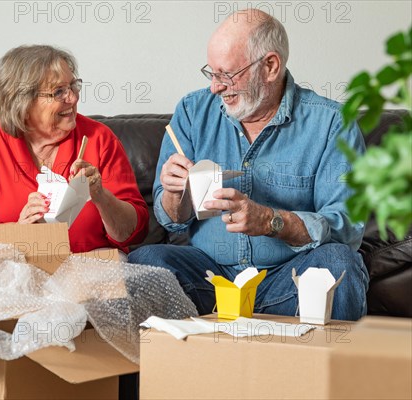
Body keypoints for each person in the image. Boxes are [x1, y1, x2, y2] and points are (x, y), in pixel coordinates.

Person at [128, 9, 369, 321]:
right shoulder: (192, 111)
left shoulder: (332, 124)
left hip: (288, 280)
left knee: (340, 263)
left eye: (226, 74)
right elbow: (172, 219)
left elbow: (346, 227)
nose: (215, 87)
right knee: (143, 262)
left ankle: (326, 370)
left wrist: (271, 221)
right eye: (211, 73)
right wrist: (175, 194)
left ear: (270, 66)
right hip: (209, 279)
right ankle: (172, 369)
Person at [0, 45, 149, 254]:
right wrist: (19, 232)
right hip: (15, 267)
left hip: (91, 267)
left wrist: (101, 196)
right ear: (22, 101)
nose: (72, 98)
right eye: (59, 92)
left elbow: (135, 233)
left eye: (73, 86)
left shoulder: (99, 138)